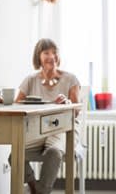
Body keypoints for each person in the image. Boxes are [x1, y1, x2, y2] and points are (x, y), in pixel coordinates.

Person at [11, 38, 81, 194]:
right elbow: (17, 105)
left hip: (63, 128)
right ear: (38, 57)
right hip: (38, 130)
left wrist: (67, 103)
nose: (52, 56)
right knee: (14, 155)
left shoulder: (70, 79)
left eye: (54, 52)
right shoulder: (30, 80)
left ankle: (43, 191)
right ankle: (34, 187)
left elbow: (76, 110)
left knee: (53, 153)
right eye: (46, 52)